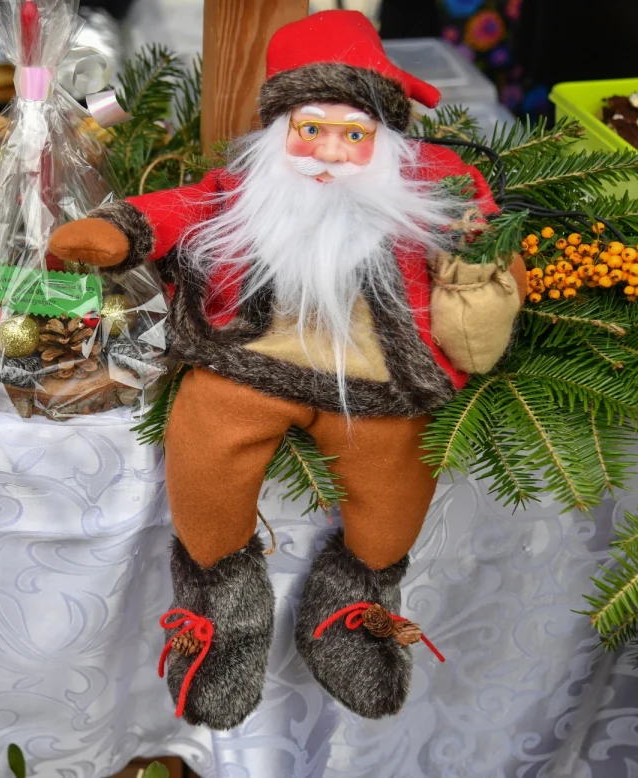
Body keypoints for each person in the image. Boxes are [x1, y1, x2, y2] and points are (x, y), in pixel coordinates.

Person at [49, 10, 526, 728]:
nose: (329, 152)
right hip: (249, 362)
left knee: (395, 483)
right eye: (311, 129)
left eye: (353, 135)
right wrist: (120, 229)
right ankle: (221, 607)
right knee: (205, 445)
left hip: (380, 382)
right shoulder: (251, 181)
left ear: (385, 134)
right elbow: (184, 206)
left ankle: (358, 600)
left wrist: (483, 262)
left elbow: (488, 240)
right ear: (283, 127)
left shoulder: (436, 183)